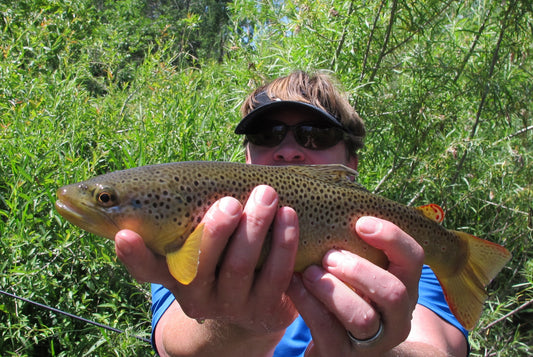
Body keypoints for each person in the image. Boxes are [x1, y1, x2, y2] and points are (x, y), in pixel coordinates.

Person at [114, 71, 469, 356]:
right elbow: (172, 343)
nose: (288, 151)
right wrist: (240, 327)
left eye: (314, 134)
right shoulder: (196, 233)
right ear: (247, 158)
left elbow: (439, 348)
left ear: (351, 163)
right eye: (267, 134)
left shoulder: (401, 252)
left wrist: (380, 351)